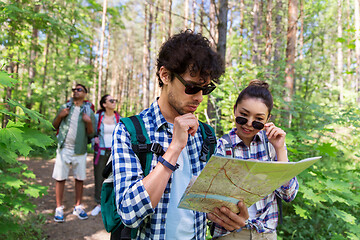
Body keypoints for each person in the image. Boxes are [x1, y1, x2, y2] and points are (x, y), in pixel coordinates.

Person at [112, 30, 249, 240]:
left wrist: (233, 217)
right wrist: (174, 148)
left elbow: (217, 203)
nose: (200, 98)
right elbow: (129, 213)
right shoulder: (130, 131)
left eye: (206, 89)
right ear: (165, 75)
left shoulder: (206, 135)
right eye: (192, 87)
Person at [212, 80, 299, 239]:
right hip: (229, 233)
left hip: (265, 233)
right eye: (243, 116)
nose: (249, 124)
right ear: (235, 110)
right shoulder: (221, 147)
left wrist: (280, 149)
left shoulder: (272, 147)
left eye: (258, 119)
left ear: (267, 119)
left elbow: (289, 194)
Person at [52, 83, 96, 222]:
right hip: (64, 148)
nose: (75, 92)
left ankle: (78, 207)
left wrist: (88, 122)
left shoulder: (88, 112)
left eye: (79, 90)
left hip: (80, 150)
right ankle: (59, 208)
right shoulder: (64, 108)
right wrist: (60, 116)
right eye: (74, 90)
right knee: (60, 178)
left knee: (79, 179)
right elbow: (54, 126)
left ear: (85, 94)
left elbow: (92, 133)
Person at [91, 94, 121, 216]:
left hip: (115, 153)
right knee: (99, 178)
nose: (114, 102)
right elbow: (91, 132)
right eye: (111, 100)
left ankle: (112, 203)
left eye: (115, 100)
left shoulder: (118, 118)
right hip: (101, 153)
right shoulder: (97, 117)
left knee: (115, 177)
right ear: (104, 104)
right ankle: (99, 203)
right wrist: (94, 139)